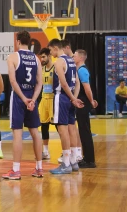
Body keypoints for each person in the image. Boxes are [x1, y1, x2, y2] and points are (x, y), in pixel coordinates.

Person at [2, 31, 43, 180]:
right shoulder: (36, 59)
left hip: (19, 97)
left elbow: (13, 82)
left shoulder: (12, 57)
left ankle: (16, 170)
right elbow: (40, 83)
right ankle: (39, 168)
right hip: (32, 96)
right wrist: (32, 99)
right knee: (35, 133)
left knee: (17, 134)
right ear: (29, 42)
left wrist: (24, 99)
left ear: (18, 41)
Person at [48, 39, 84, 174]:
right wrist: (74, 98)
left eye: (51, 50)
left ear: (55, 48)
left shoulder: (59, 62)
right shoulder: (71, 61)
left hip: (61, 98)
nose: (51, 53)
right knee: (72, 129)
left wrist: (72, 98)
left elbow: (63, 84)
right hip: (70, 99)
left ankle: (66, 163)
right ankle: (74, 161)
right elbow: (78, 83)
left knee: (63, 131)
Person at [74, 49, 98, 168]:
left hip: (83, 103)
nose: (73, 57)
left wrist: (91, 101)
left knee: (85, 131)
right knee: (83, 131)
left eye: (75, 56)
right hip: (82, 102)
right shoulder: (79, 70)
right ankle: (87, 158)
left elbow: (87, 89)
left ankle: (90, 161)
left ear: (81, 58)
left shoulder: (82, 70)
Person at [37, 48, 54, 160]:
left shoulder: (56, 68)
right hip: (44, 99)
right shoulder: (41, 69)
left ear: (49, 56)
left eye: (43, 57)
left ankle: (65, 151)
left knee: (59, 126)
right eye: (41, 57)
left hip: (53, 99)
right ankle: (46, 151)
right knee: (44, 126)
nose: (41, 59)